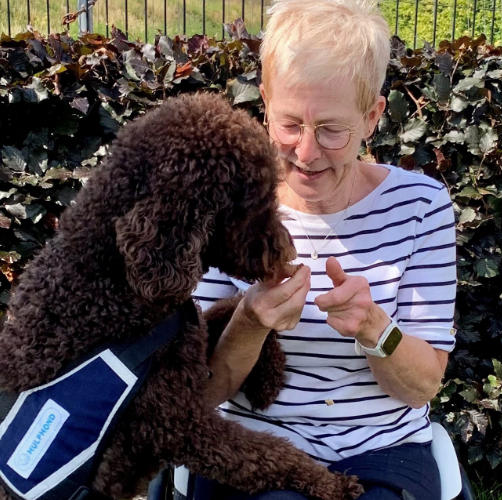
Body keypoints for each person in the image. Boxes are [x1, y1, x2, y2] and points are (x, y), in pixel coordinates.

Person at [192, 0, 457, 498]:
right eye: (290, 124)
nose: (307, 153)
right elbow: (201, 391)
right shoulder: (223, 206)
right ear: (265, 103)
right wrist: (250, 322)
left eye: (332, 130)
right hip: (253, 444)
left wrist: (377, 331)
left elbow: (423, 386)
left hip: (384, 447)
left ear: (372, 116)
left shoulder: (421, 206)